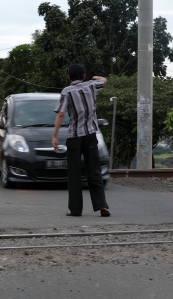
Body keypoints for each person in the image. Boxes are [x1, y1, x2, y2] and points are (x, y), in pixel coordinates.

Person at [52, 63, 110, 217]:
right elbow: (104, 80)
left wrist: (54, 135)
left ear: (69, 77)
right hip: (91, 135)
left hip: (74, 137)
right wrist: (94, 77)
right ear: (84, 76)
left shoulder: (66, 91)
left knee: (74, 173)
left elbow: (60, 114)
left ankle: (75, 209)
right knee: (94, 170)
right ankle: (102, 206)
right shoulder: (92, 86)